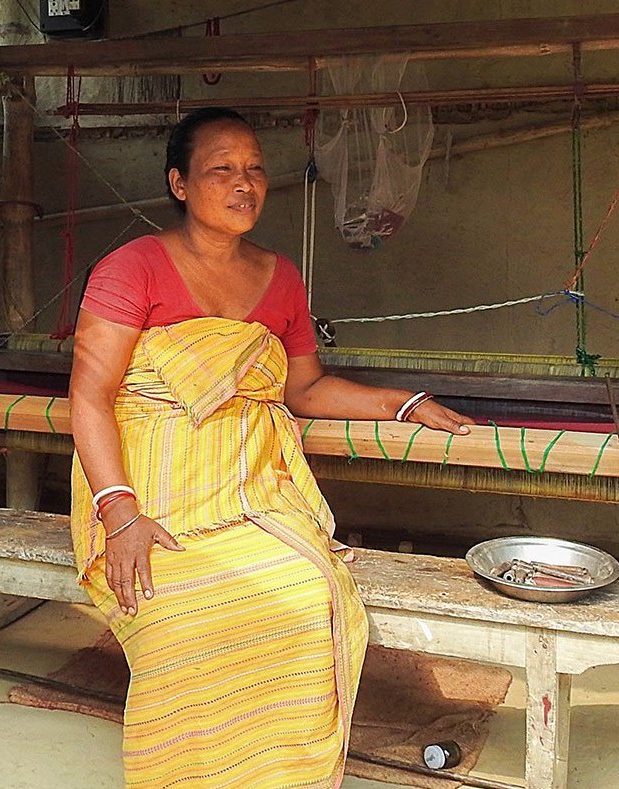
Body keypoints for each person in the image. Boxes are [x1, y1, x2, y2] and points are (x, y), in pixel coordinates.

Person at [68, 107, 472, 788]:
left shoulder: (280, 276)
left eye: (254, 168)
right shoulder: (130, 268)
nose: (243, 182)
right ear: (179, 183)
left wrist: (400, 403)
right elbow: (89, 395)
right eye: (221, 168)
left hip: (245, 487)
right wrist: (120, 516)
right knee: (178, 614)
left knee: (311, 593)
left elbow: (304, 387)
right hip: (144, 489)